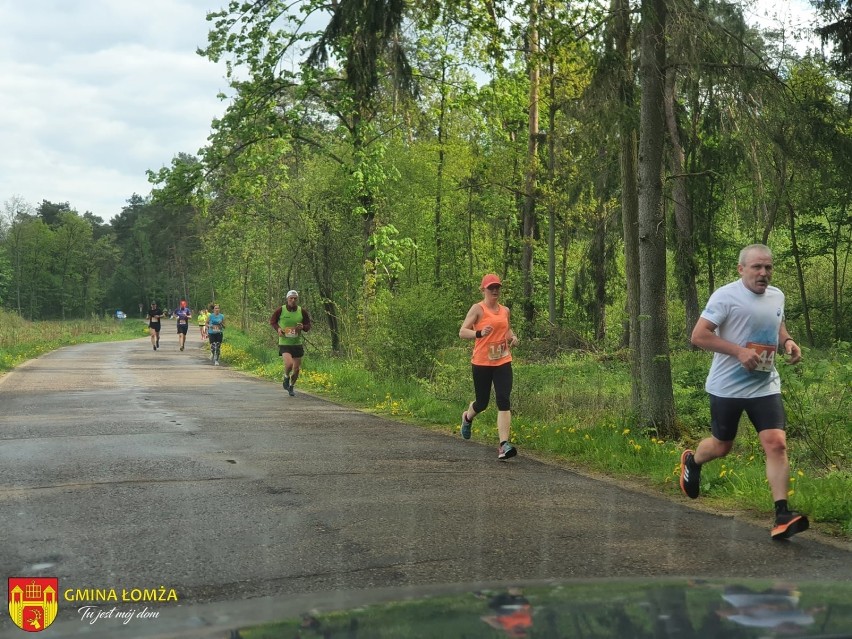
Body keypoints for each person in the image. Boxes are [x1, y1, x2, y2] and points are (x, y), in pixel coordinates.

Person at [682, 244, 806, 540]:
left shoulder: (777, 296)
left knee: (776, 443)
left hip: (765, 384)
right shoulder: (726, 296)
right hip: (727, 386)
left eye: (768, 267)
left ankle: (782, 514)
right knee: (722, 446)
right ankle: (692, 461)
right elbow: (698, 336)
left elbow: (777, 323)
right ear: (741, 270)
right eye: (757, 267)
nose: (763, 273)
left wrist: (788, 341)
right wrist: (737, 352)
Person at [459, 274, 520, 460]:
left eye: (497, 287)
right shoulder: (478, 309)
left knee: (503, 399)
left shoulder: (505, 310)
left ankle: (503, 445)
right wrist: (479, 333)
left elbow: (507, 329)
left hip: (502, 360)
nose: (495, 291)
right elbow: (462, 332)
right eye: (490, 287)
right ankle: (467, 417)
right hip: (482, 362)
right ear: (483, 289)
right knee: (482, 403)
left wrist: (513, 338)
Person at [270, 290, 312, 396]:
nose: (293, 300)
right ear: (287, 299)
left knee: (296, 369)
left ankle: (291, 386)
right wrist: (278, 329)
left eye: (295, 298)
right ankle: (285, 377)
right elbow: (273, 321)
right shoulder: (281, 310)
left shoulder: (302, 311)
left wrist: (303, 327)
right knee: (289, 364)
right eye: (291, 298)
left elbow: (308, 325)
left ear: (297, 299)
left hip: (297, 343)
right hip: (285, 342)